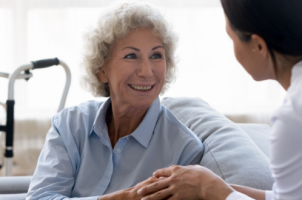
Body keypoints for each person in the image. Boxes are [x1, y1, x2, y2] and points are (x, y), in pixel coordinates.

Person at [26, 2, 204, 200]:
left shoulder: (184, 150)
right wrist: (123, 198)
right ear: (101, 70)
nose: (146, 71)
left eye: (156, 55)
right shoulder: (69, 125)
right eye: (131, 56)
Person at [137, 0, 302, 200]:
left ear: (258, 46)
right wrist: (213, 186)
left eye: (232, 39)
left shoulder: (292, 117)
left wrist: (212, 188)